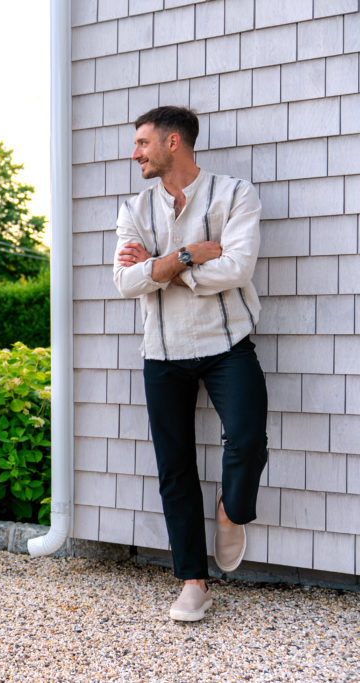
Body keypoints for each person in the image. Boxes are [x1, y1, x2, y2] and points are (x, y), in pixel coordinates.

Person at [112, 106, 268, 622]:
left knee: (247, 440)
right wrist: (188, 256)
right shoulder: (133, 209)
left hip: (228, 343)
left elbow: (238, 266)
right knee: (174, 469)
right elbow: (125, 282)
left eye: (142, 143)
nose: (135, 153)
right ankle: (193, 583)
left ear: (172, 142)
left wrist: (161, 267)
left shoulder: (235, 194)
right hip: (162, 352)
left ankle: (232, 510)